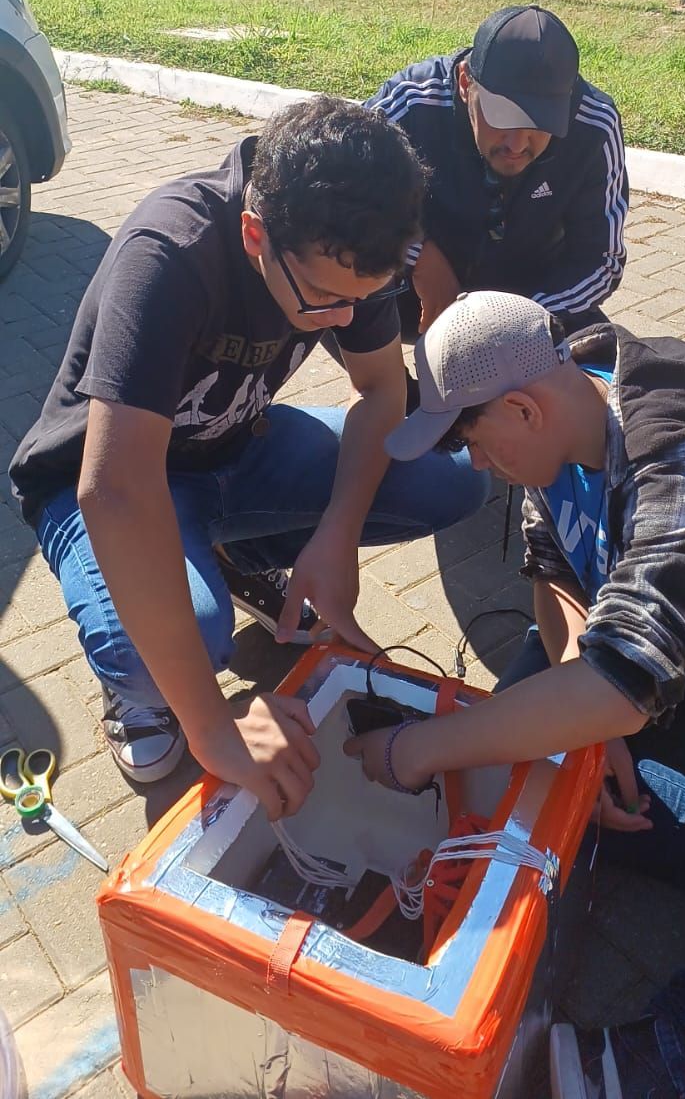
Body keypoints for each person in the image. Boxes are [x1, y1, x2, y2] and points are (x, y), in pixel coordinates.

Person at [345, 291, 685, 1099]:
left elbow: (629, 675)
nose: (475, 465)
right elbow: (558, 574)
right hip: (652, 669)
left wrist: (413, 749)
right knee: (536, 764)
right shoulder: (556, 420)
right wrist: (582, 714)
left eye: (472, 441)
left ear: (521, 407)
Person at [9, 99, 489, 814]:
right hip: (112, 480)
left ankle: (228, 560)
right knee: (177, 649)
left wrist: (336, 537)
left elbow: (383, 391)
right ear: (255, 233)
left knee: (450, 479)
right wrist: (210, 726)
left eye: (360, 300)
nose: (341, 318)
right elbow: (113, 491)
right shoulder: (171, 250)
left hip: (234, 453)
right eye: (323, 300)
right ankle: (140, 683)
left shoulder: (349, 242)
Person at [366, 6, 628, 340]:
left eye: (539, 124)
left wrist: (521, 323)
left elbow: (602, 261)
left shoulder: (594, 124)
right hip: (409, 294)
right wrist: (415, 251)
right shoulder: (412, 102)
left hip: (532, 297)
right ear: (465, 83)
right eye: (501, 117)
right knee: (336, 280)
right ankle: (392, 388)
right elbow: (336, 189)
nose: (517, 144)